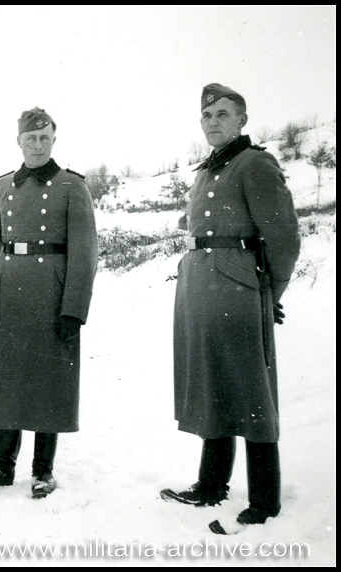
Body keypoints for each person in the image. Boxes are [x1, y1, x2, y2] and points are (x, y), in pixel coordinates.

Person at [160, 84, 300, 535]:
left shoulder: (254, 163)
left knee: (251, 392)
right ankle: (210, 484)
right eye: (207, 116)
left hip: (239, 288)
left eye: (223, 113)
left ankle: (264, 500)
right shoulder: (207, 170)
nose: (214, 121)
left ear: (241, 119)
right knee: (210, 385)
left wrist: (269, 294)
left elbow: (283, 237)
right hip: (200, 288)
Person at [0, 108, 98, 499]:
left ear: (53, 140)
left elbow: (85, 254)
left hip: (51, 296)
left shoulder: (73, 186)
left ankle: (43, 470)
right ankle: (2, 466)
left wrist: (74, 308)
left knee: (48, 382)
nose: (36, 145)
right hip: (7, 296)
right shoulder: (5, 186)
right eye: (29, 139)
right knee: (7, 382)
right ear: (19, 142)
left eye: (43, 138)